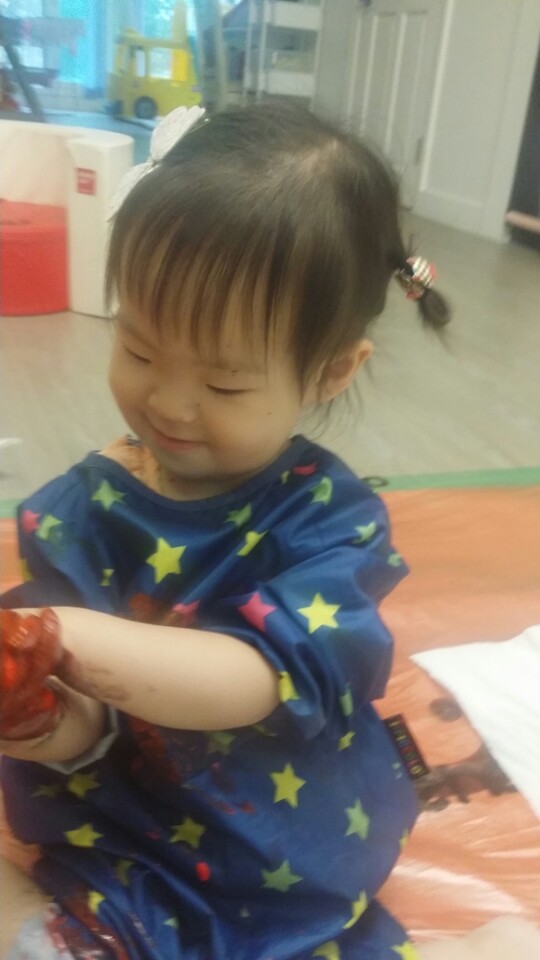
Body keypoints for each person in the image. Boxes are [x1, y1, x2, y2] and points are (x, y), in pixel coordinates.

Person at [0, 102, 530, 960]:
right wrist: (36, 713)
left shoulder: (330, 525)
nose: (171, 403)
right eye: (139, 350)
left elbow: (259, 681)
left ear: (330, 370)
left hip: (271, 866)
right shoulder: (76, 510)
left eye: (225, 385)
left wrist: (62, 637)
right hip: (119, 850)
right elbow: (85, 727)